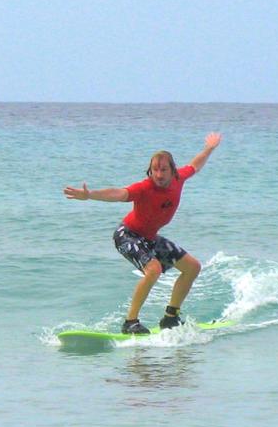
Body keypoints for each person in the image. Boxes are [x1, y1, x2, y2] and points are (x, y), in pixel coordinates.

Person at [64, 132, 222, 334]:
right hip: (127, 235)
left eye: (163, 169)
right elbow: (118, 193)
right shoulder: (144, 188)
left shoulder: (179, 178)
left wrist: (210, 148)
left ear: (172, 170)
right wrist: (90, 195)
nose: (158, 174)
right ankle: (130, 322)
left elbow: (195, 165)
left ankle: (170, 318)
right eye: (155, 170)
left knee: (192, 267)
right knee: (153, 269)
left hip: (149, 238)